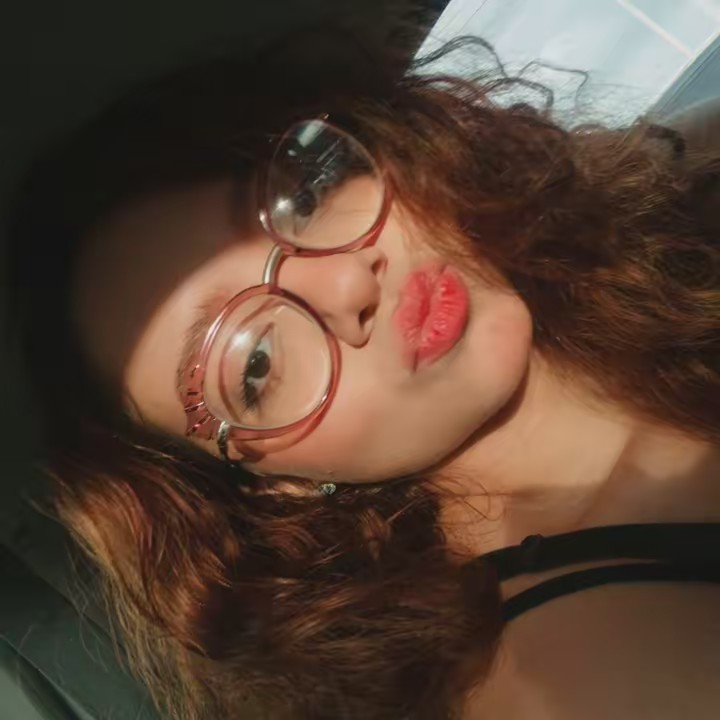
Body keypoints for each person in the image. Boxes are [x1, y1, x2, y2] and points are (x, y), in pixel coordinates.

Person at [6, 31, 720, 720]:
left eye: (305, 199)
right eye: (256, 361)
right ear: (272, 489)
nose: (348, 282)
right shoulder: (587, 675)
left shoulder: (674, 187)